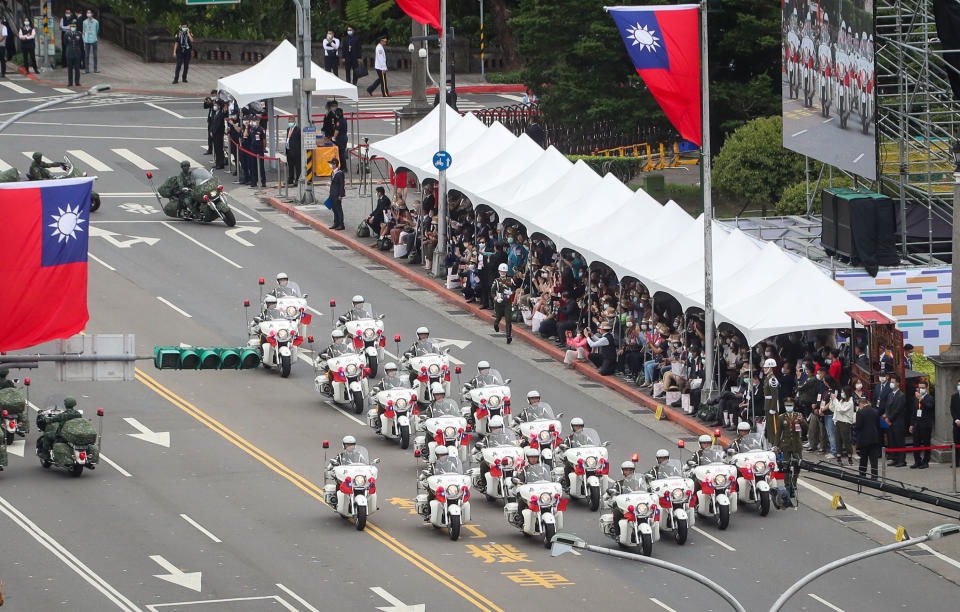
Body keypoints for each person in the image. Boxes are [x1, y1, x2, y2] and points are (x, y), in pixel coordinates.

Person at [774, 398, 805, 497]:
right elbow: (778, 433)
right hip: (786, 444)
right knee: (786, 466)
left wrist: (802, 421)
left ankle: (794, 482)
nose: (789, 407)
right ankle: (787, 485)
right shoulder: (781, 417)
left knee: (798, 464)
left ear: (793, 406)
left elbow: (807, 428)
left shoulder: (798, 416)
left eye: (790, 405)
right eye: (787, 405)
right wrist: (776, 446)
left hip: (796, 444)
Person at [854, 398, 881, 479]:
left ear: (861, 403)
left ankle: (862, 475)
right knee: (874, 459)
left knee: (864, 459)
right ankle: (874, 476)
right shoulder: (875, 411)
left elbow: (858, 426)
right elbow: (878, 424)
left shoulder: (860, 412)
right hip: (874, 437)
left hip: (864, 438)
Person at [910, 380, 934, 469]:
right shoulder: (915, 398)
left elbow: (929, 407)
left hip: (926, 425)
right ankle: (917, 461)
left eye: (923, 388)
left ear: (926, 388)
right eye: (919, 388)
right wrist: (911, 424)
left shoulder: (929, 398)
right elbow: (913, 412)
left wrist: (921, 399)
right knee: (916, 444)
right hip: (917, 424)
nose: (921, 389)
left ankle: (925, 461)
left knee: (926, 444)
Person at [884, 373, 907, 467]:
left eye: (893, 382)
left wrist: (890, 418)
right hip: (890, 423)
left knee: (899, 442)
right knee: (892, 441)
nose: (891, 384)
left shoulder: (901, 395)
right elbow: (887, 407)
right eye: (891, 382)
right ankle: (895, 458)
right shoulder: (890, 394)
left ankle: (902, 460)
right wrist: (886, 416)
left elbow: (898, 410)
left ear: (897, 383)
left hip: (898, 422)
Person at [491, 263, 517, 344]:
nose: (503, 273)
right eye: (501, 272)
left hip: (507, 302)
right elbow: (492, 292)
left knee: (508, 319)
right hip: (499, 302)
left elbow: (514, 289)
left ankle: (508, 336)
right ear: (499, 272)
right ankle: (496, 324)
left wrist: (511, 292)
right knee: (498, 317)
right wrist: (496, 299)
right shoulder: (496, 281)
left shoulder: (510, 280)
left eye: (504, 272)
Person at [834, 386, 856, 465]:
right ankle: (839, 457)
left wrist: (835, 401)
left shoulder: (850, 402)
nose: (842, 393)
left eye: (843, 392)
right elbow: (836, 409)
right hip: (838, 422)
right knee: (838, 440)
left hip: (845, 423)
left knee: (846, 440)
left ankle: (850, 457)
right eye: (841, 392)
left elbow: (841, 410)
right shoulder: (841, 401)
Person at [761, 358, 781, 446]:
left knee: (774, 427)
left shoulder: (772, 379)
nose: (764, 369)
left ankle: (775, 444)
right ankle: (771, 442)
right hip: (767, 404)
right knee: (769, 426)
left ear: (770, 368)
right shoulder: (767, 378)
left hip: (771, 405)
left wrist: (773, 408)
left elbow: (775, 395)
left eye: (766, 368)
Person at [63, 22, 83, 86]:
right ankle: (70, 82)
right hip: (69, 53)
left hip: (77, 53)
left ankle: (77, 82)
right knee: (70, 69)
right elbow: (65, 43)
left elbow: (81, 43)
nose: (73, 28)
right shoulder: (66, 34)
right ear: (70, 27)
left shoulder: (79, 34)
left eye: (74, 27)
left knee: (77, 68)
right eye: (72, 27)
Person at [328, 158, 345, 230]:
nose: (331, 165)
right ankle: (336, 223)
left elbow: (342, 185)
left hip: (337, 194)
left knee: (338, 209)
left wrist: (340, 195)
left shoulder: (340, 173)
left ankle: (341, 224)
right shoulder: (332, 173)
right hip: (332, 193)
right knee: (334, 209)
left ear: (335, 164)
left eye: (332, 164)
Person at [285, 118, 301, 186]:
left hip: (296, 152)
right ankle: (290, 179)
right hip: (289, 150)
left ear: (294, 122)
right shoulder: (288, 129)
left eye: (291, 121)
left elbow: (300, 141)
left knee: (297, 167)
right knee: (290, 166)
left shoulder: (298, 130)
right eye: (289, 121)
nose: (290, 123)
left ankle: (298, 179)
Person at [333, 107, 348, 172]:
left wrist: (333, 138)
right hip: (344, 137)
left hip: (341, 139)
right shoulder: (344, 119)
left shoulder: (339, 121)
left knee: (341, 154)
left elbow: (337, 131)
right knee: (342, 153)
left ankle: (343, 168)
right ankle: (343, 167)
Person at [950, 377, 960, 467]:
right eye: (958, 385)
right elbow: (952, 409)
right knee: (956, 442)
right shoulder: (954, 396)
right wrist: (956, 419)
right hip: (957, 424)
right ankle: (956, 462)